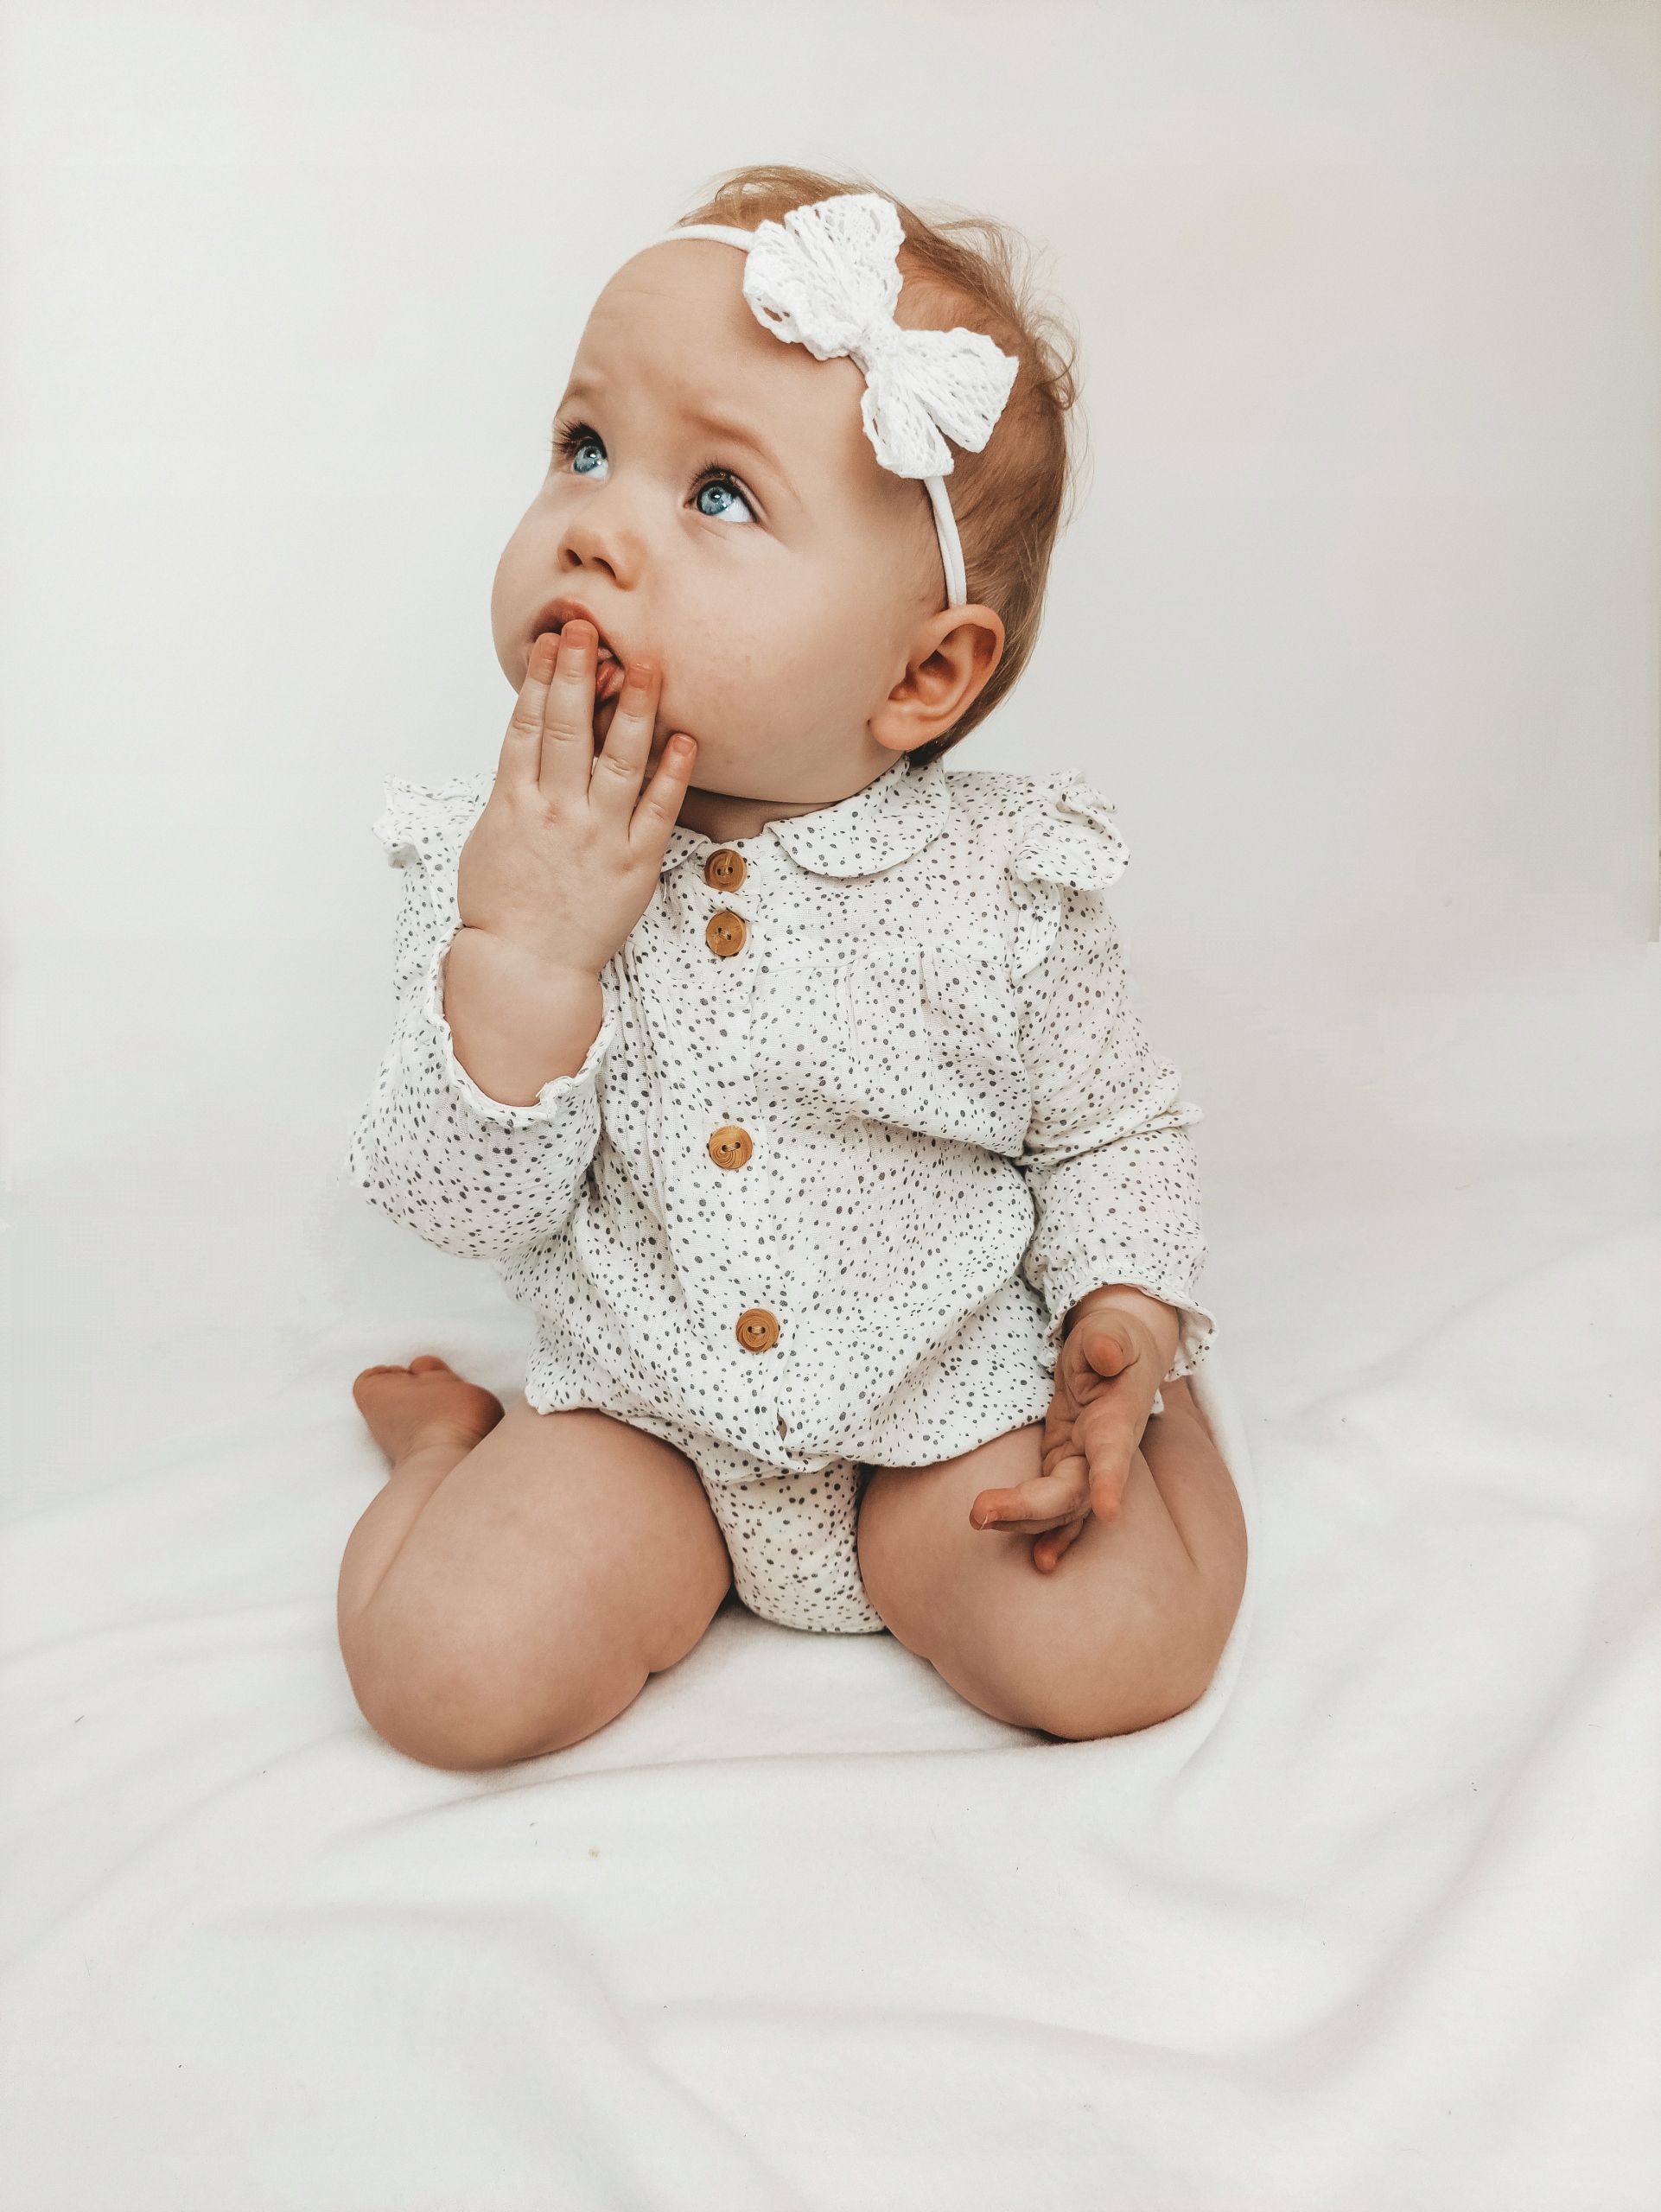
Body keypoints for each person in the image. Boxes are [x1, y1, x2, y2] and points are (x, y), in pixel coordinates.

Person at [341, 169, 1247, 1769]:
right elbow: (456, 1203)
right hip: (643, 1421)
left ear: (925, 672)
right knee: (445, 1679)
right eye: (583, 447)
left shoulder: (1002, 885)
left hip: (943, 1405)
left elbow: (1109, 1133)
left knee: (1118, 1653)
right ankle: (446, 1456)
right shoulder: (508, 858)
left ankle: (1157, 1433)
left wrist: (1123, 1317)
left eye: (717, 494)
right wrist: (528, 952)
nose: (596, 529)